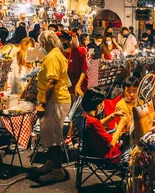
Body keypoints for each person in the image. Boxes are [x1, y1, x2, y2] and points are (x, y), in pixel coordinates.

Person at [34, 31, 71, 183]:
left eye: (41, 43)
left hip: (55, 101)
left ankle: (57, 170)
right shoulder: (56, 54)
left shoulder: (52, 57)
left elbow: (52, 82)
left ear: (45, 42)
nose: (40, 46)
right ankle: (50, 162)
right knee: (49, 134)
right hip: (57, 100)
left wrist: (42, 103)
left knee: (53, 136)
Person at [80, 88, 128, 160]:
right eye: (103, 103)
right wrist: (121, 125)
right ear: (98, 106)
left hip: (90, 151)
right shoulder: (93, 122)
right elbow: (111, 143)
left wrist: (112, 116)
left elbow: (98, 124)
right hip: (107, 156)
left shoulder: (84, 117)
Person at [59, 32, 88, 99]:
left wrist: (78, 85)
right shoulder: (59, 52)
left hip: (78, 83)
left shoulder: (80, 51)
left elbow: (84, 70)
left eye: (64, 42)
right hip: (65, 85)